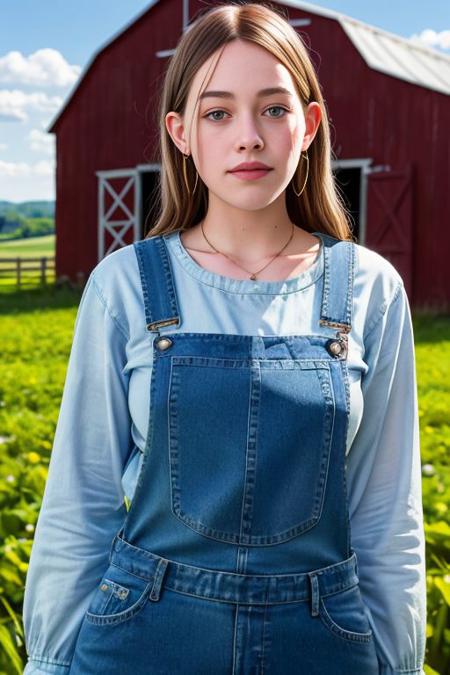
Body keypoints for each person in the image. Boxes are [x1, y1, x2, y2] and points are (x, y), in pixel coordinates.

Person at [22, 3, 426, 674]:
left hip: (320, 642)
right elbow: (80, 503)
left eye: (273, 108)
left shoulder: (367, 290)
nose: (249, 137)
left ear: (309, 124)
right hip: (141, 637)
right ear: (180, 132)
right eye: (217, 113)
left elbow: (388, 516)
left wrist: (399, 660)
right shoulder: (125, 286)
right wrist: (48, 662)